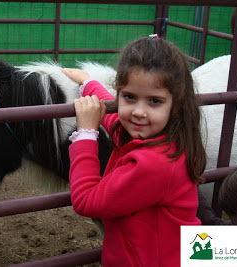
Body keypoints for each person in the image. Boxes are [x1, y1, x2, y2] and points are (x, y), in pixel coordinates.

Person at [62, 36, 207, 266]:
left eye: (154, 101)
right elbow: (113, 116)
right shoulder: (161, 138)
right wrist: (87, 84)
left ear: (175, 104)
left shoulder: (154, 165)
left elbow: (86, 200)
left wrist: (87, 133)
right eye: (130, 97)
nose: (139, 112)